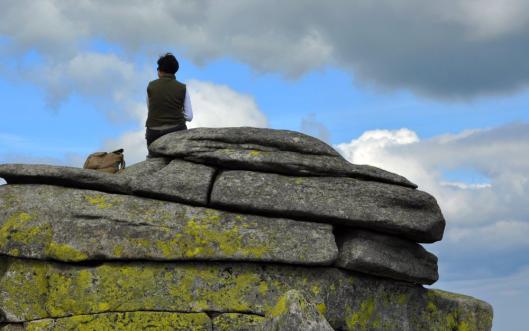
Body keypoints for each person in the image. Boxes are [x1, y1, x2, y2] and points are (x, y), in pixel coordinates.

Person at [145, 53, 193, 148]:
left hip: (154, 134)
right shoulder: (182, 88)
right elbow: (189, 117)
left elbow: (151, 110)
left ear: (160, 70)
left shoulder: (150, 86)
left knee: (152, 158)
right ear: (175, 71)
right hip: (176, 131)